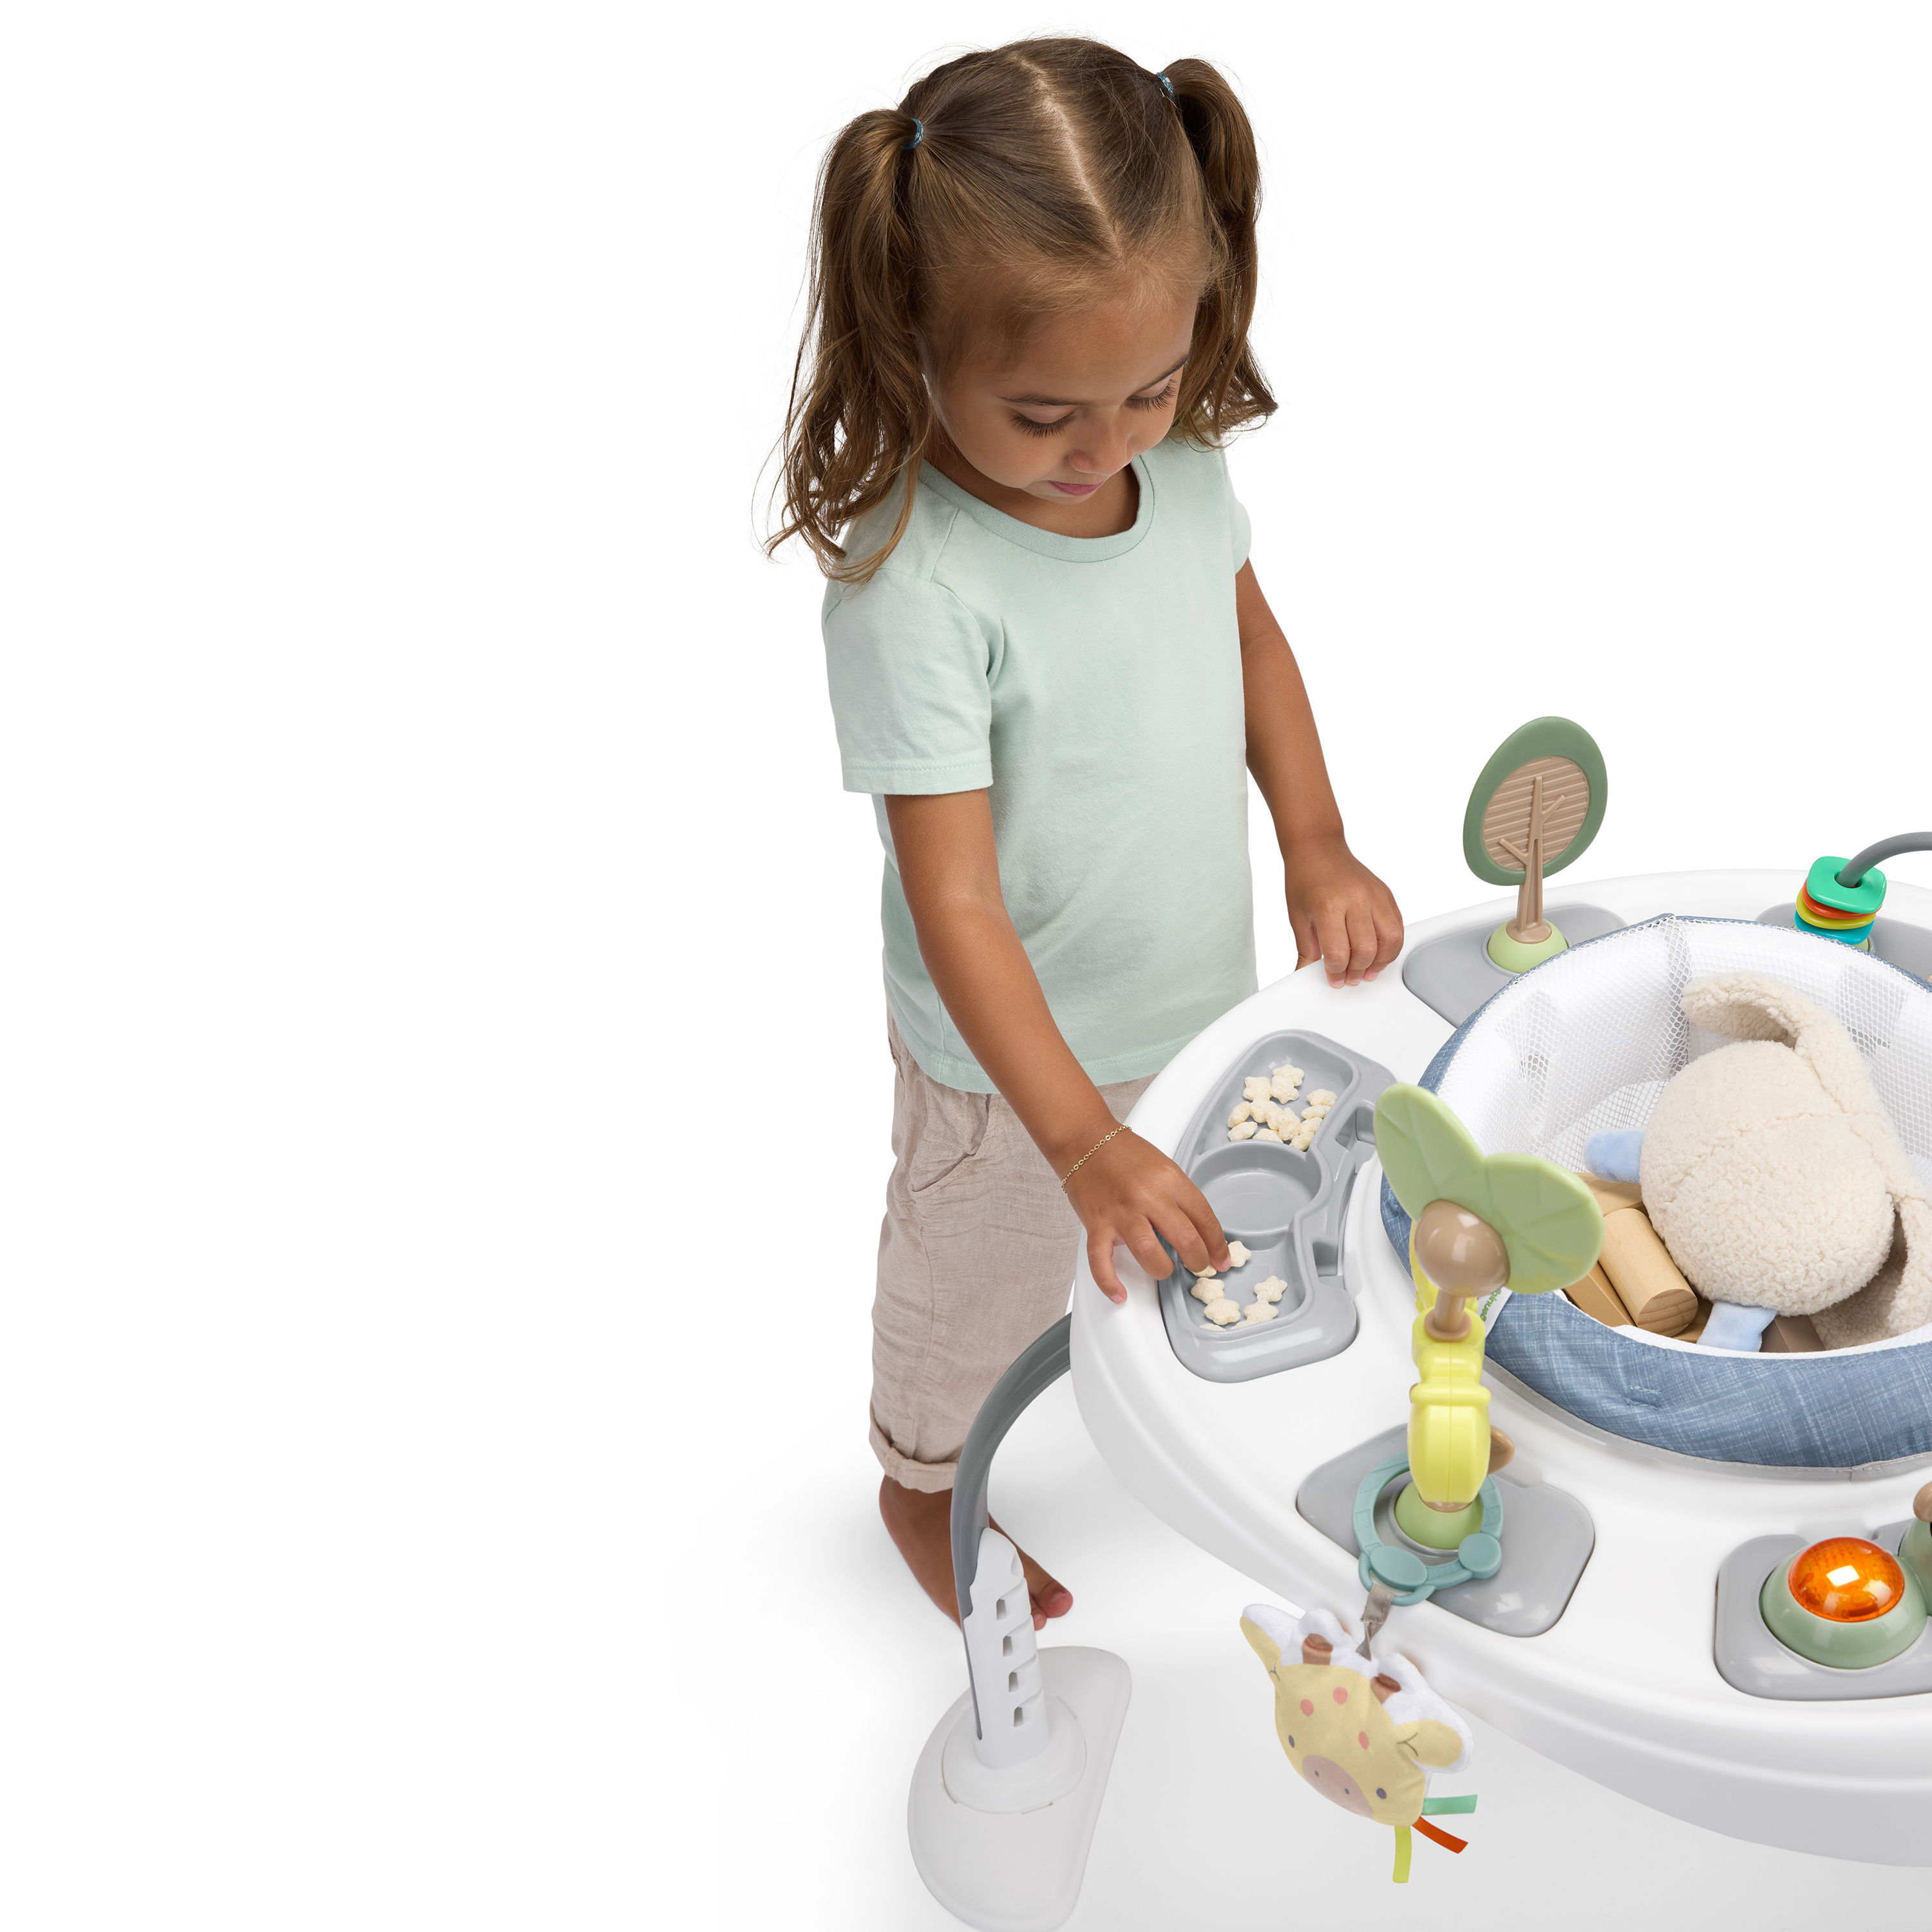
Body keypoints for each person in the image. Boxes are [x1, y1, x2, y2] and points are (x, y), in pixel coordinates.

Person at [770, 37, 1403, 1631]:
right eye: (1045, 408)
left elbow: (1249, 642)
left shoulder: (1177, 470)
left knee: (1215, 1221)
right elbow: (957, 903)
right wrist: (1072, 1139)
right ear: (914, 337)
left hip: (1193, 992)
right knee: (975, 1287)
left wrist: (1316, 842)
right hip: (1008, 1075)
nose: (1106, 443)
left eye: (1149, 385)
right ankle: (924, 1480)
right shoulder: (916, 581)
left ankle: (1187, 1404)